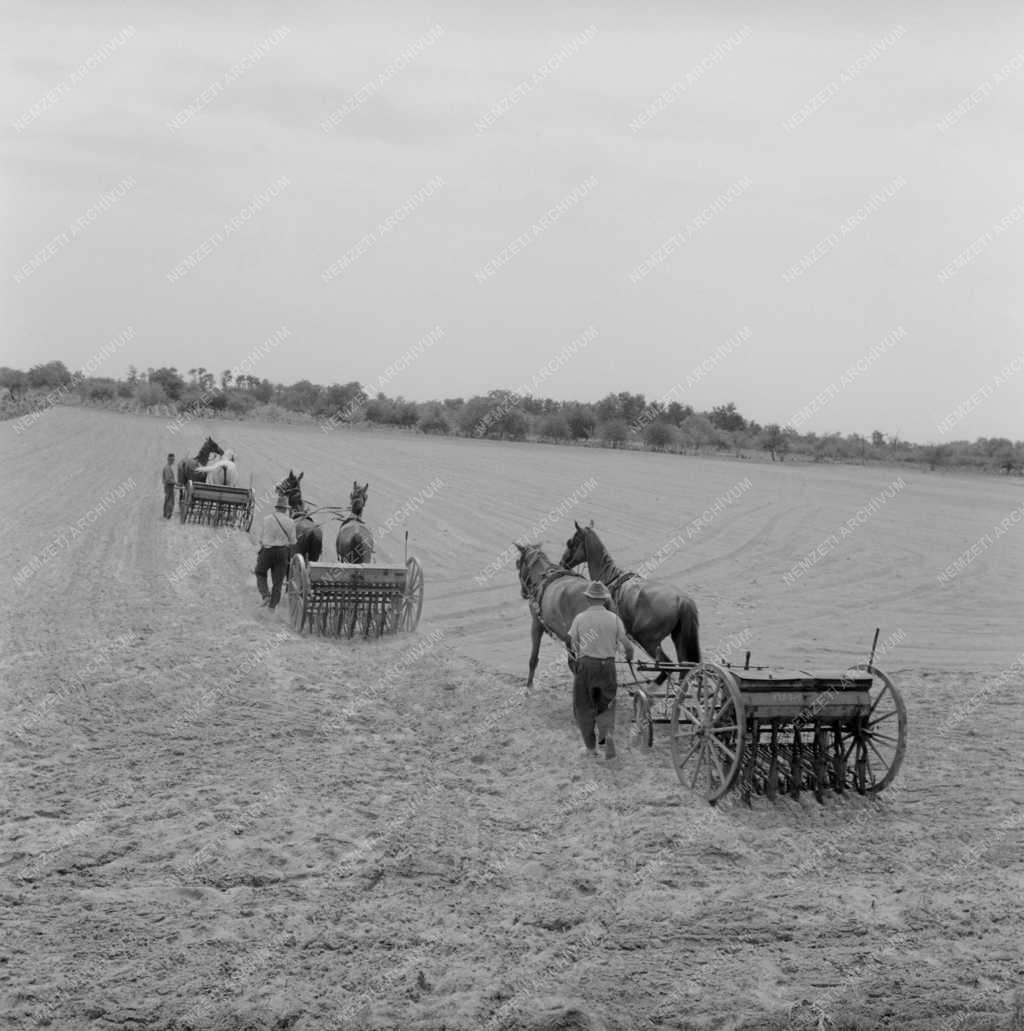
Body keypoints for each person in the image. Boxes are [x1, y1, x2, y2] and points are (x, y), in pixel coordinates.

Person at [567, 580, 634, 760]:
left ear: (588, 599)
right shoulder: (614, 619)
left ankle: (591, 748)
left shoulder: (580, 618)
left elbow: (573, 645)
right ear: (604, 600)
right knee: (606, 704)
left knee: (583, 707)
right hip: (608, 667)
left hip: (586, 666)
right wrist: (629, 655)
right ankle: (608, 736)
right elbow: (627, 645)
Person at [256, 496, 297, 610]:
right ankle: (272, 608)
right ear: (286, 509)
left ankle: (265, 595)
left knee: (260, 572)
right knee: (278, 582)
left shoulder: (266, 519)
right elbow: (293, 541)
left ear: (277, 507)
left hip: (267, 551)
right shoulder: (291, 522)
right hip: (282, 552)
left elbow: (261, 538)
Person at [162, 453, 177, 518]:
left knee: (168, 501)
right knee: (170, 501)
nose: (173, 461)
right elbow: (168, 480)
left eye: (173, 459)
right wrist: (176, 483)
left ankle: (166, 515)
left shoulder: (168, 467)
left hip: (169, 487)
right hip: (169, 487)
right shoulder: (167, 468)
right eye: (172, 460)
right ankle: (167, 515)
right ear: (169, 459)